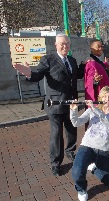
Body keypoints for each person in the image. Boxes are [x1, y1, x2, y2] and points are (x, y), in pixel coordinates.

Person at [13, 34, 80, 176]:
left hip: (71, 103)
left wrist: (87, 66)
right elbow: (37, 74)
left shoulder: (72, 60)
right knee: (56, 134)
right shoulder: (48, 59)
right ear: (55, 45)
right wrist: (29, 73)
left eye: (67, 44)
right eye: (62, 43)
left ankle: (70, 151)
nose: (65, 46)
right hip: (54, 104)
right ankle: (56, 163)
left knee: (71, 129)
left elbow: (76, 76)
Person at [70, 86, 109, 201]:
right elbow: (76, 123)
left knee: (107, 180)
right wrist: (73, 110)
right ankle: (81, 189)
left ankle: (93, 168)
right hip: (87, 145)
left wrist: (95, 109)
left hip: (104, 150)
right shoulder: (91, 110)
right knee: (77, 171)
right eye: (104, 96)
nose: (107, 99)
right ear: (100, 97)